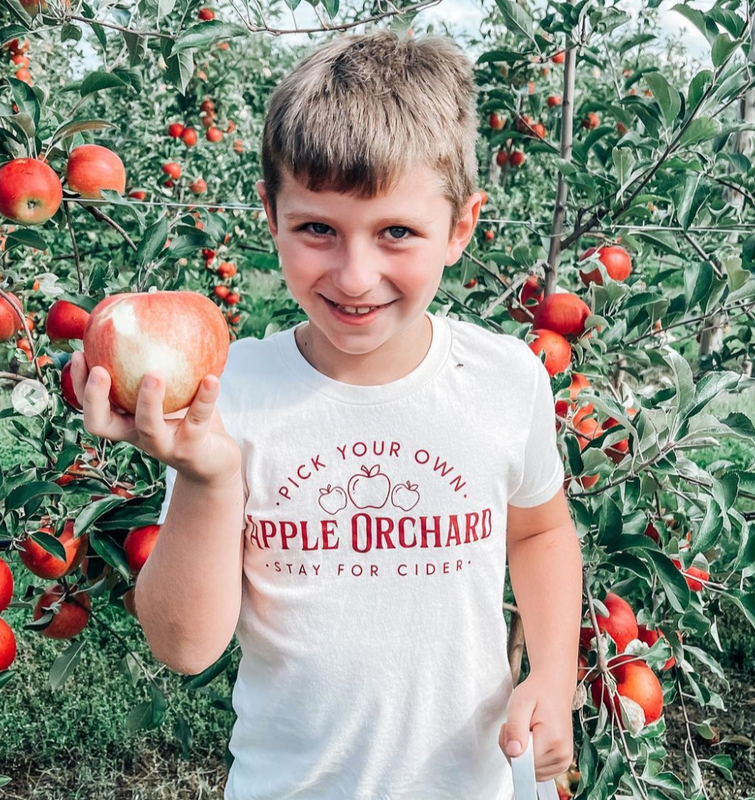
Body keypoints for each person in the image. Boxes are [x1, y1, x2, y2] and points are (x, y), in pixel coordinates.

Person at [70, 28, 583, 800]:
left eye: (397, 233)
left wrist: (551, 673)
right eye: (318, 229)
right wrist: (207, 478)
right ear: (271, 216)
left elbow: (540, 530)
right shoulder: (227, 390)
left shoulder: (504, 378)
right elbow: (183, 645)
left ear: (462, 227)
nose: (355, 274)